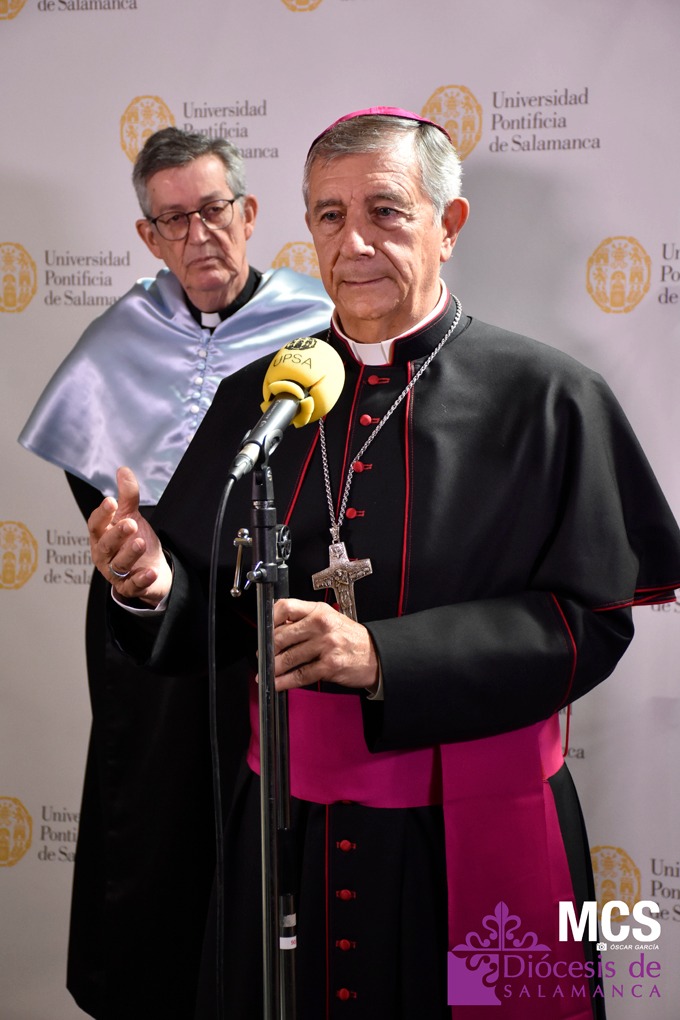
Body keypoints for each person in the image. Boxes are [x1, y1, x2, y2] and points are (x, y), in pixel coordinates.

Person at [87, 109, 680, 1020]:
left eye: (386, 211)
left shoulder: (549, 397)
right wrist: (153, 583)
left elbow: (588, 622)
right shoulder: (264, 398)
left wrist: (381, 657)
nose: (353, 241)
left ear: (449, 225)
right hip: (290, 833)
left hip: (470, 827)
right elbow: (214, 604)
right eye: (329, 215)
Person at [18, 127, 332, 1020]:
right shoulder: (122, 333)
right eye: (173, 220)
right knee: (155, 816)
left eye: (213, 210)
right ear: (148, 236)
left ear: (250, 213)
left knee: (270, 812)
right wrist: (133, 553)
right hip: (152, 615)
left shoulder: (315, 324)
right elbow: (94, 478)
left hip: (271, 603)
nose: (199, 235)